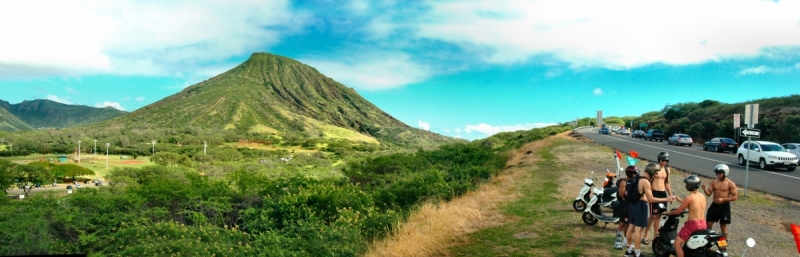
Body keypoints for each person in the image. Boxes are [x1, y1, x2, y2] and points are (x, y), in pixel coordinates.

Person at [625, 162, 673, 257]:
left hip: (632, 205)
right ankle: (637, 253)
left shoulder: (638, 177)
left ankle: (629, 250)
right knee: (638, 230)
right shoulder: (645, 181)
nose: (656, 175)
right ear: (651, 171)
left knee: (631, 228)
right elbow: (651, 199)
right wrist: (666, 199)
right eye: (655, 173)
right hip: (641, 206)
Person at [664, 175, 707, 257]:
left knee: (677, 243)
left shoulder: (689, 197)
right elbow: (693, 205)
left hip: (693, 225)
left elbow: (678, 211)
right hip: (702, 223)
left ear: (689, 185)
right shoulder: (702, 196)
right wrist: (679, 199)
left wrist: (668, 213)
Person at [643, 151, 674, 245]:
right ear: (659, 160)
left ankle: (655, 236)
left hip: (662, 193)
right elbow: (646, 180)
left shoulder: (667, 170)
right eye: (662, 160)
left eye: (666, 160)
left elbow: (667, 183)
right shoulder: (654, 168)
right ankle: (648, 235)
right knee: (654, 215)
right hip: (654, 192)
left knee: (659, 215)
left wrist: (670, 195)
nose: (664, 162)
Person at [703, 164, 737, 238]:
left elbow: (735, 197)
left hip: (724, 207)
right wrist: (704, 189)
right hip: (714, 205)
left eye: (719, 173)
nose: (718, 174)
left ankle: (724, 243)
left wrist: (724, 199)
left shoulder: (730, 183)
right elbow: (709, 194)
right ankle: (709, 242)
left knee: (723, 226)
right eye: (716, 173)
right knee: (708, 224)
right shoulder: (714, 182)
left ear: (725, 173)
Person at [614, 165, 637, 250]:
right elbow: (621, 194)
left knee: (628, 223)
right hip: (625, 204)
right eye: (633, 173)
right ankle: (617, 241)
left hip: (631, 204)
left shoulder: (634, 181)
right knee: (622, 223)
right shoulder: (624, 182)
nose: (635, 175)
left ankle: (625, 240)